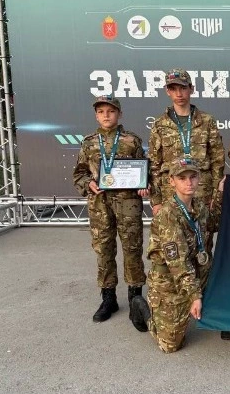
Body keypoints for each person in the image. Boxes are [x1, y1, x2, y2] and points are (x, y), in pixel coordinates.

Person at [72, 95, 146, 323]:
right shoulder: (88, 143)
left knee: (132, 248)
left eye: (111, 111)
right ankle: (108, 298)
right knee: (104, 250)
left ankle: (135, 298)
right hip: (100, 204)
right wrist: (88, 183)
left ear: (119, 114)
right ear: (96, 115)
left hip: (128, 203)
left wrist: (145, 183)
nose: (106, 115)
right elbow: (80, 173)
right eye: (101, 111)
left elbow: (145, 170)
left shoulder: (132, 140)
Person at [148, 68, 224, 280]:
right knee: (173, 245)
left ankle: (203, 289)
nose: (179, 93)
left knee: (203, 243)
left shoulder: (207, 121)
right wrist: (156, 200)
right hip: (170, 195)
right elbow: (154, 164)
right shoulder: (160, 124)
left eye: (183, 88)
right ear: (167, 91)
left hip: (202, 192)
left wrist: (215, 196)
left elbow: (218, 161)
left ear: (191, 89)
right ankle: (179, 290)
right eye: (173, 89)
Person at [130, 159, 209, 353]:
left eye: (193, 177)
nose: (188, 182)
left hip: (194, 271)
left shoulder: (199, 206)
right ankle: (142, 308)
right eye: (182, 178)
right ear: (172, 181)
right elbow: (178, 262)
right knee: (170, 345)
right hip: (168, 280)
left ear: (199, 178)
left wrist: (223, 192)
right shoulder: (168, 214)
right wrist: (194, 296)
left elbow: (214, 221)